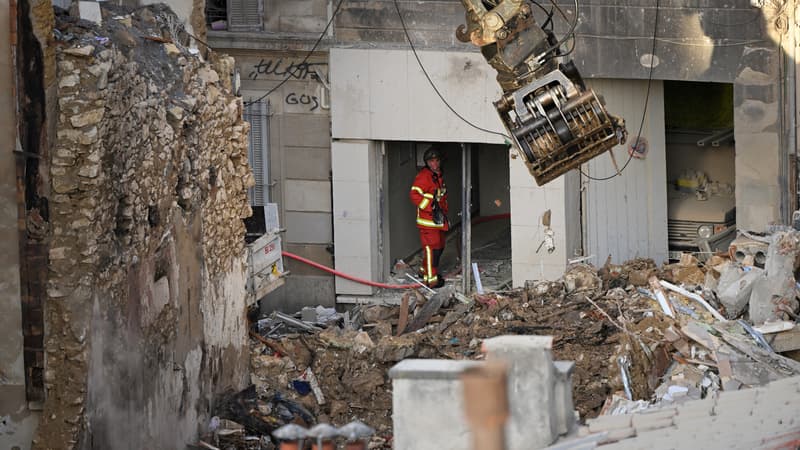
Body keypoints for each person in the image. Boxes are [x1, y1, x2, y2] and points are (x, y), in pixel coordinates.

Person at [409, 148, 449, 288]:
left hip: (438, 220)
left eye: (437, 160)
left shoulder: (437, 175)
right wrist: (430, 205)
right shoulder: (423, 176)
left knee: (439, 247)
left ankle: (423, 270)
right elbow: (414, 195)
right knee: (431, 249)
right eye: (431, 161)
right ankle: (431, 280)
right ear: (427, 162)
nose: (435, 164)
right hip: (427, 221)